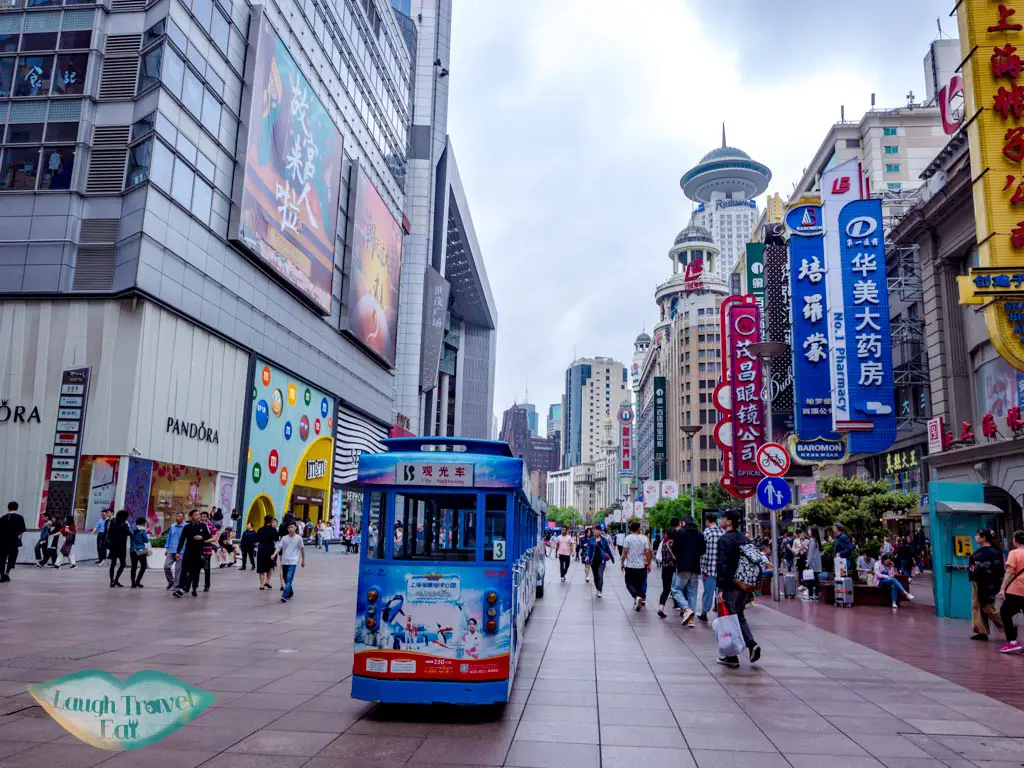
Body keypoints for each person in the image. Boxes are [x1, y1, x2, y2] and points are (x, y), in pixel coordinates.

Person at [716, 510, 761, 668]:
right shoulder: (744, 539)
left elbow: (723, 565)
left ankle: (731, 656)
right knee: (739, 616)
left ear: (729, 522)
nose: (720, 520)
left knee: (728, 618)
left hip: (730, 585)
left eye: (723, 518)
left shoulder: (724, 540)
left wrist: (721, 587)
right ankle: (751, 644)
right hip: (744, 584)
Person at [968, 529, 1005, 641]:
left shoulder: (993, 552)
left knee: (987, 606)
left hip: (987, 583)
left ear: (984, 537)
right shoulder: (981, 551)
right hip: (977, 582)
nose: (976, 537)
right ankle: (981, 630)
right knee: (977, 606)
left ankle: (1007, 623)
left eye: (977, 535)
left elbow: (998, 568)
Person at [670, 516, 705, 626]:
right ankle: (691, 620)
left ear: (683, 522)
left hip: (683, 566)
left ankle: (686, 608)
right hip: (695, 566)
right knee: (692, 593)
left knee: (676, 589)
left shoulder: (680, 533)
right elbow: (703, 550)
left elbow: (674, 548)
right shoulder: (699, 534)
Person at [997, 530, 1024, 654]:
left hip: (1017, 590)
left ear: (1015, 540)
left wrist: (1003, 588)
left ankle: (1012, 642)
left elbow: (1009, 572)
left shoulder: (1014, 553)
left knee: (1005, 613)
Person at [174, 510, 210, 598]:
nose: (197, 516)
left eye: (198, 514)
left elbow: (208, 536)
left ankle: (194, 588)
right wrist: (178, 552)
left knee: (196, 571)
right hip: (188, 551)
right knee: (184, 570)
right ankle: (180, 589)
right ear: (191, 517)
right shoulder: (187, 527)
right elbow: (182, 539)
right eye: (195, 515)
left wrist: (202, 537)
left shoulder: (203, 525)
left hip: (198, 552)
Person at [699, 512, 725, 622]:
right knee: (720, 593)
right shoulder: (723, 532)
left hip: (709, 569)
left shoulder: (706, 533)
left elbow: (703, 553)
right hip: (721, 569)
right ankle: (721, 613)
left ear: (707, 521)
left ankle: (704, 613)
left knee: (707, 592)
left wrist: (702, 568)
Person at [621, 520, 652, 610]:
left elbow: (625, 552)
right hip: (641, 566)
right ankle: (639, 597)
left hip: (630, 566)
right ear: (638, 528)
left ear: (630, 529)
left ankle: (636, 597)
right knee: (639, 584)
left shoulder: (628, 538)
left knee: (628, 583)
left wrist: (622, 563)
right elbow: (647, 552)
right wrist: (649, 564)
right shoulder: (644, 538)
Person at [273, 520, 305, 602]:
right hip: (285, 561)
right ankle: (290, 592)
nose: (290, 529)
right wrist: (274, 554)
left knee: (289, 578)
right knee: (285, 579)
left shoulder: (299, 538)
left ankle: (285, 595)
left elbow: (302, 550)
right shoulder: (284, 538)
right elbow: (279, 547)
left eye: (292, 527)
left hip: (293, 562)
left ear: (295, 527)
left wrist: (303, 560)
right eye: (288, 527)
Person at [0, 501, 26, 583]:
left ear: (8, 508)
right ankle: (7, 571)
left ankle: (1, 574)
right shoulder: (20, 518)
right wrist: (19, 539)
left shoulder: (2, 518)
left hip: (2, 541)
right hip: (13, 541)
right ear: (17, 508)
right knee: (13, 556)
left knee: (2, 558)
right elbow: (22, 530)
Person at [585, 526, 615, 598]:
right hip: (593, 560)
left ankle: (600, 591)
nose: (597, 532)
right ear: (594, 531)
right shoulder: (591, 540)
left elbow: (608, 549)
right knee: (595, 577)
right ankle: (597, 588)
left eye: (598, 530)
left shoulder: (604, 540)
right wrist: (587, 556)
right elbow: (588, 549)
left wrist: (612, 557)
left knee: (600, 575)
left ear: (601, 531)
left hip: (602, 560)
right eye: (595, 530)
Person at [106, 510, 131, 588]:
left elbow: (109, 532)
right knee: (122, 564)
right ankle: (116, 579)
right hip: (121, 546)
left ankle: (111, 581)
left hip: (113, 546)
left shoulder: (113, 522)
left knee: (113, 564)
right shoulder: (124, 524)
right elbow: (129, 533)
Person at [656, 526, 677, 619]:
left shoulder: (664, 544)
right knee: (677, 589)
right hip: (674, 569)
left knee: (666, 589)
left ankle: (661, 608)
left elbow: (660, 558)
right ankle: (684, 609)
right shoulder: (677, 544)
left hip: (665, 569)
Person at [256, 515, 280, 590]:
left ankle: (261, 585)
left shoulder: (260, 529)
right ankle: (267, 581)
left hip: (261, 549)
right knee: (270, 566)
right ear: (271, 521)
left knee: (261, 568)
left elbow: (257, 539)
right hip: (270, 549)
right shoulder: (273, 530)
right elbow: (276, 539)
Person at [164, 511, 185, 590]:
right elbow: (169, 537)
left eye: (179, 516)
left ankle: (176, 586)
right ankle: (171, 582)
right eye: (176, 516)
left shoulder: (186, 526)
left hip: (181, 551)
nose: (177, 518)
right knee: (166, 566)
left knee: (178, 569)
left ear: (183, 518)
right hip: (171, 550)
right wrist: (167, 548)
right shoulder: (173, 526)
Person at [129, 517, 150, 588]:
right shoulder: (143, 530)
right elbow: (146, 540)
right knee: (144, 566)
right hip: (140, 551)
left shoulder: (132, 529)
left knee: (133, 567)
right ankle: (138, 581)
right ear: (142, 524)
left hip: (132, 551)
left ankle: (133, 583)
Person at [199, 510, 217, 592]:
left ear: (207, 517)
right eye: (201, 516)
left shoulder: (211, 526)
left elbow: (214, 537)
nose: (202, 518)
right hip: (198, 549)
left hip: (207, 549)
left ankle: (207, 585)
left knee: (206, 568)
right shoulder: (198, 525)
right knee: (195, 568)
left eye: (204, 517)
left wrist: (206, 541)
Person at [804, 527, 823, 600]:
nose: (808, 532)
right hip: (817, 563)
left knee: (810, 579)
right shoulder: (816, 541)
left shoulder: (812, 540)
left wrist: (807, 563)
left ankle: (811, 595)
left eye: (810, 530)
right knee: (816, 579)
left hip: (812, 563)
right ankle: (817, 595)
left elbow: (811, 554)